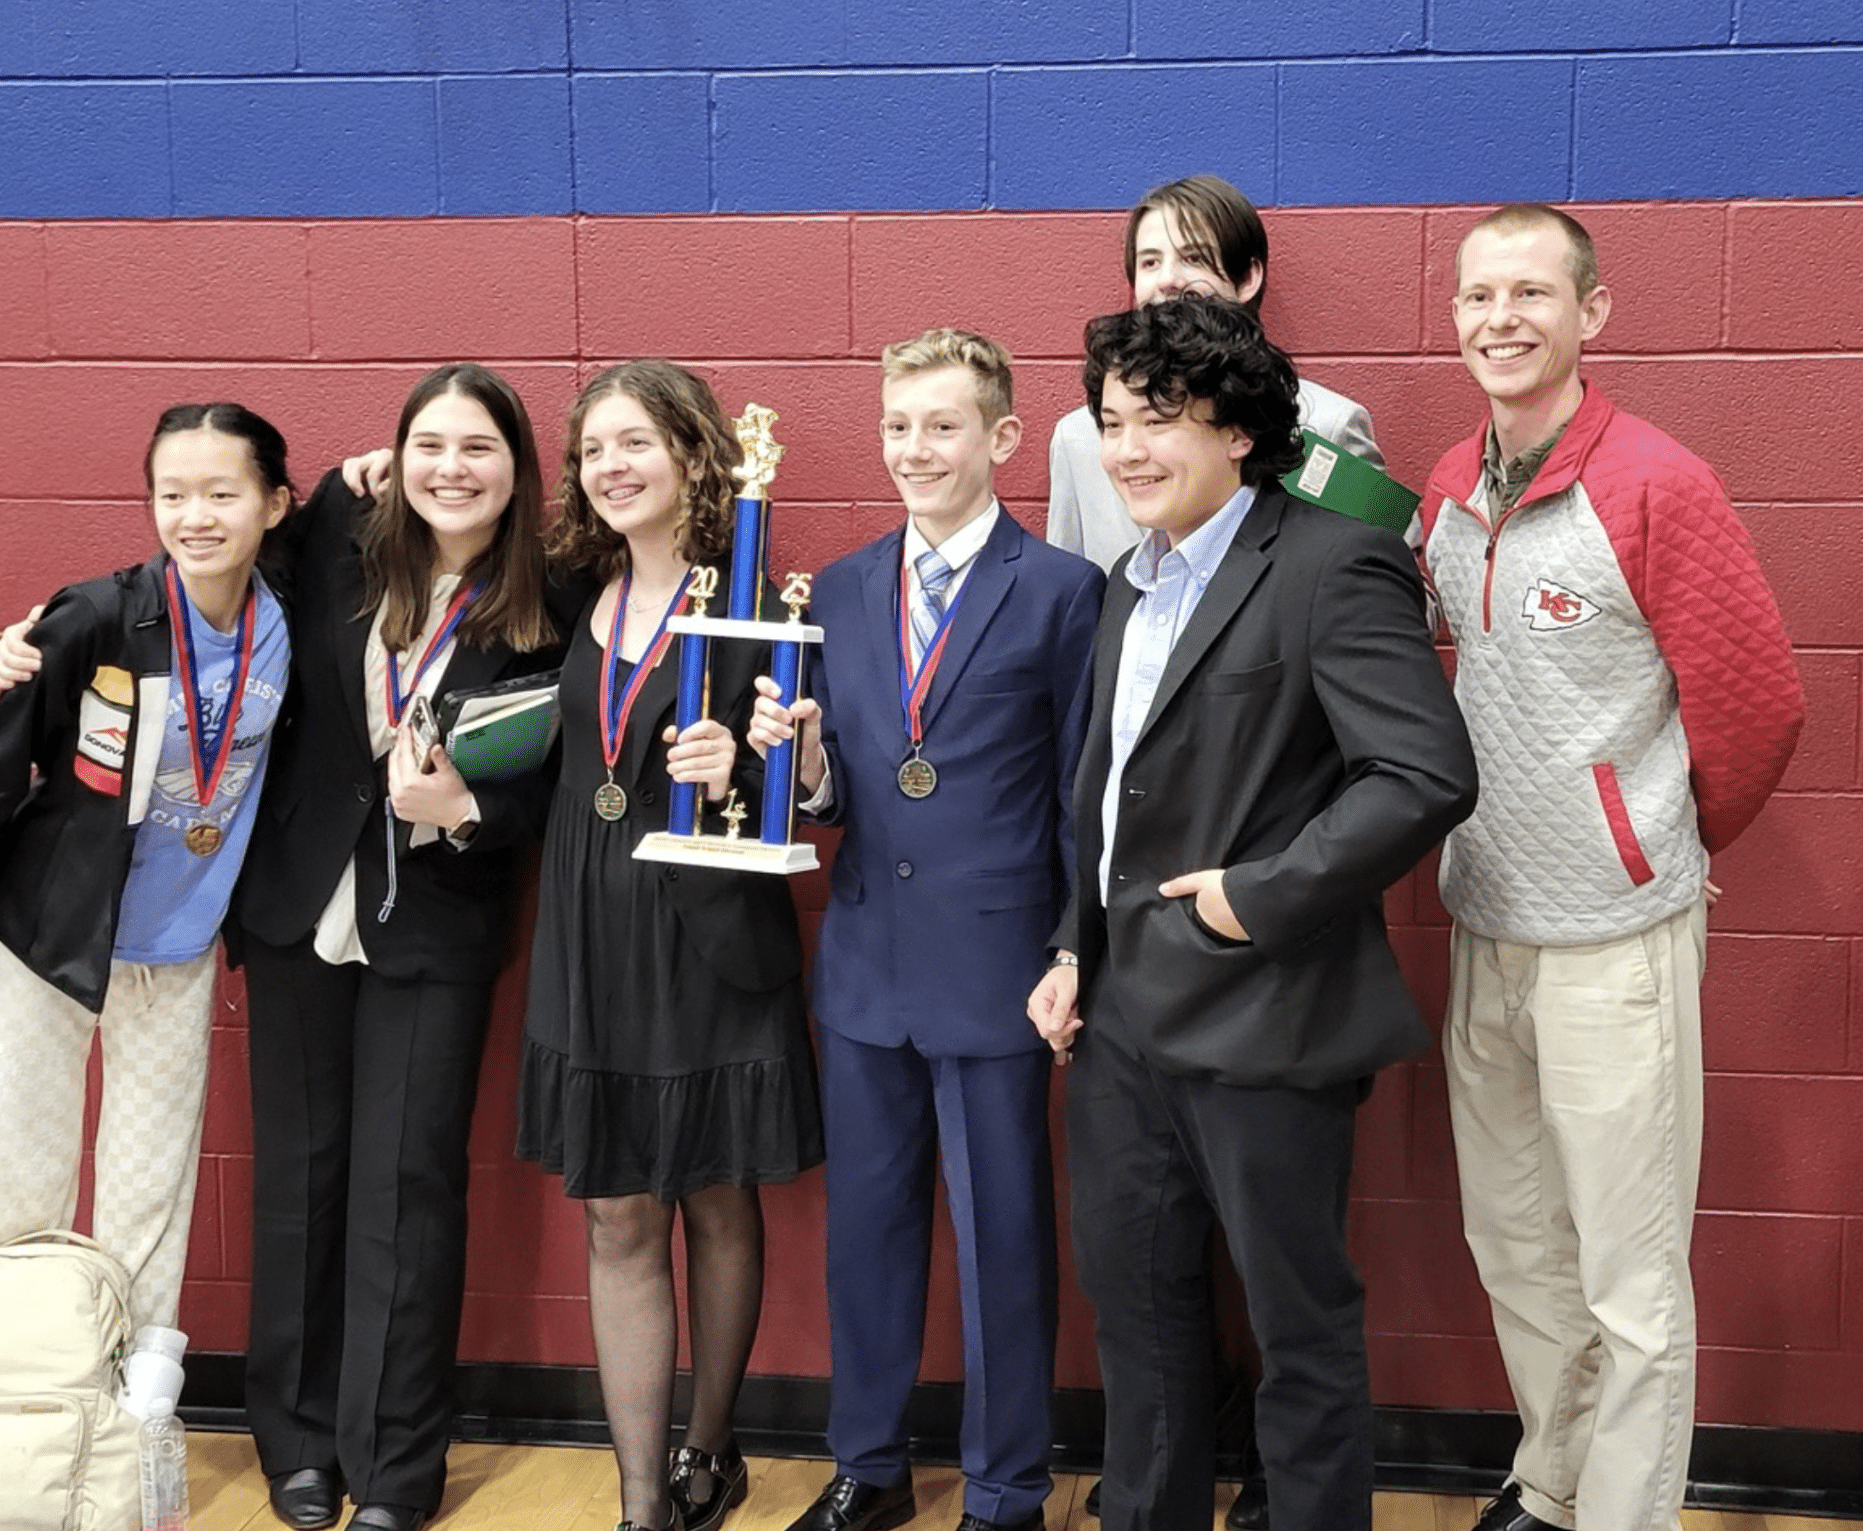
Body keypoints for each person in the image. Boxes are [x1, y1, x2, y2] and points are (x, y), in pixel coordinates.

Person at [0, 363, 581, 1531]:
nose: (449, 470)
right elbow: (183, 591)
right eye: (429, 445)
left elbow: (553, 776)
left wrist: (463, 809)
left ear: (517, 471)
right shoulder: (327, 538)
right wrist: (44, 642)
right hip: (296, 905)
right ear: (394, 454)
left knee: (409, 1192)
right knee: (301, 1183)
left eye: (478, 450)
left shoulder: (552, 601)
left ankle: (398, 1465)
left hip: (438, 917)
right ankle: (298, 1443)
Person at [1026, 295, 1477, 1531]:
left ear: (1237, 429)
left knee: (1298, 1333)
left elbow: (1425, 775)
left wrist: (1251, 900)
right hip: (1119, 1026)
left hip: (1269, 1020)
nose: (1122, 449)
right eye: (1109, 421)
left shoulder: (1335, 564)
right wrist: (1075, 940)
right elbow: (1110, 791)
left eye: (1155, 420)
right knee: (1143, 1329)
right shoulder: (1125, 582)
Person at [1419, 206, 1803, 1531]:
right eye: (1478, 295)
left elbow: (1758, 707)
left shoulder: (1655, 481)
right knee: (1519, 1249)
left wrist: (1659, 844)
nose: (1500, 318)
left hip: (1613, 943)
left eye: (1531, 291)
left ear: (1594, 311)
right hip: (1487, 924)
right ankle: (1552, 1474)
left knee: (1631, 1280)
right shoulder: (1444, 490)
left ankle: (1625, 1514)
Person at [749, 329, 1104, 1531]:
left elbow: (1075, 794)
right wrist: (803, 771)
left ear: (1001, 439)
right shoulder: (842, 587)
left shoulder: (1061, 590)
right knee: (868, 1232)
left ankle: (1004, 1487)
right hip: (862, 965)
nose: (915, 449)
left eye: (942, 426)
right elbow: (845, 787)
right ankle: (870, 1464)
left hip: (997, 967)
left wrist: (1070, 947)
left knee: (1003, 1234)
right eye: (898, 425)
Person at [516, 360, 824, 1531]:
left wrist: (746, 763)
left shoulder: (753, 596)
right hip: (590, 923)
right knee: (616, 1210)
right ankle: (642, 1501)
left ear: (694, 455)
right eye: (592, 448)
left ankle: (710, 1448)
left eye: (634, 442)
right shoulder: (562, 590)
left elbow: (795, 783)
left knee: (712, 1194)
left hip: (705, 930)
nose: (610, 467)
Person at [0, 401, 295, 1332]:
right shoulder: (95, 616)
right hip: (47, 935)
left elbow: (370, 510)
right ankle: (19, 1399)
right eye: (172, 493)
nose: (195, 516)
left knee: (149, 1192)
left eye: (222, 492)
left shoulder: (293, 615)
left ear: (275, 505)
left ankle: (132, 1410)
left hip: (178, 946)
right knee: (22, 1181)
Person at [1048, 173, 1386, 578]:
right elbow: (1066, 598)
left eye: (1193, 258)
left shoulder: (1329, 424)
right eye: (1150, 262)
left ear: (1247, 279)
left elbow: (1404, 587)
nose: (1168, 279)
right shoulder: (1079, 438)